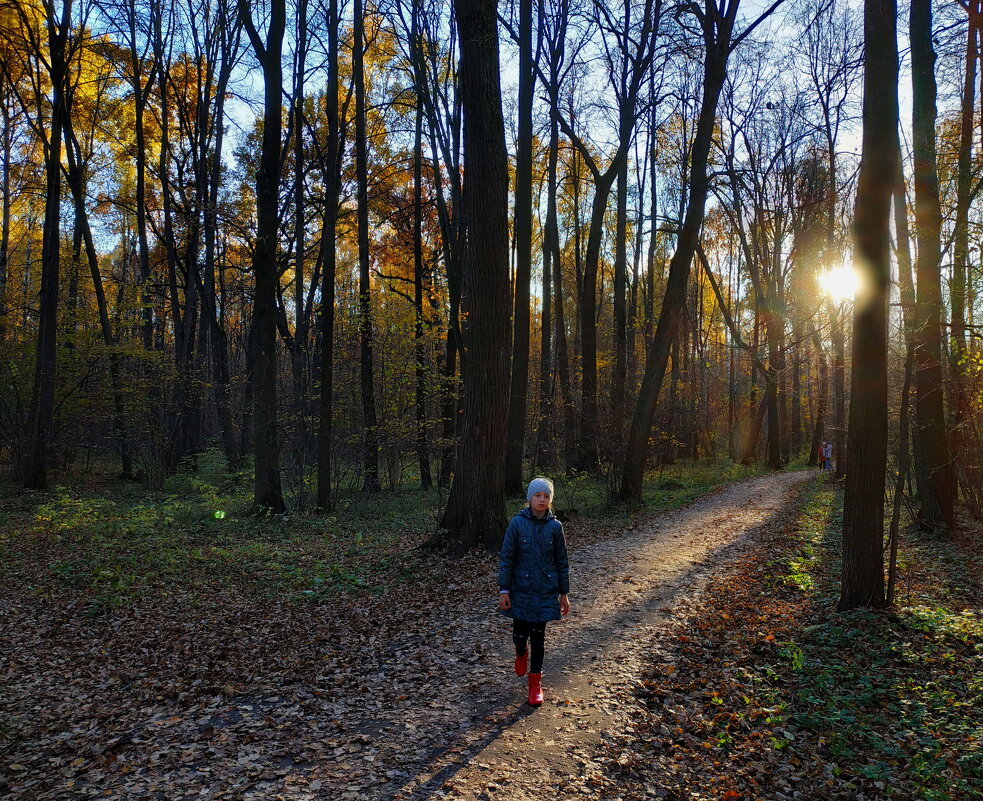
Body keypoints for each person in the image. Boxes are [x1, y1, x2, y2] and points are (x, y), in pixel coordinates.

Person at [498, 477, 570, 707]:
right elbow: (507, 558)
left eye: (546, 496)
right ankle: (521, 652)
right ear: (530, 498)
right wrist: (504, 590)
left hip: (545, 592)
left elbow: (562, 562)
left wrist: (563, 593)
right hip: (520, 590)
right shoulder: (517, 524)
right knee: (520, 635)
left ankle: (535, 685)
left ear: (550, 500)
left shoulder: (555, 527)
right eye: (538, 495)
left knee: (539, 637)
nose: (542, 499)